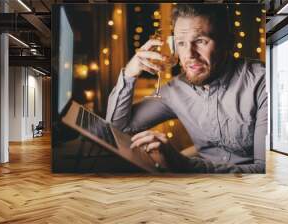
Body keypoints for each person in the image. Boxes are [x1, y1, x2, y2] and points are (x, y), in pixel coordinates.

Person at [106, 4, 267, 173]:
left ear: (228, 43)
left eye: (200, 41)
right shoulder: (175, 90)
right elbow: (116, 130)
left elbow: (265, 170)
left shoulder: (262, 82)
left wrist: (185, 165)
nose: (189, 54)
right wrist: (130, 73)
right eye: (181, 43)